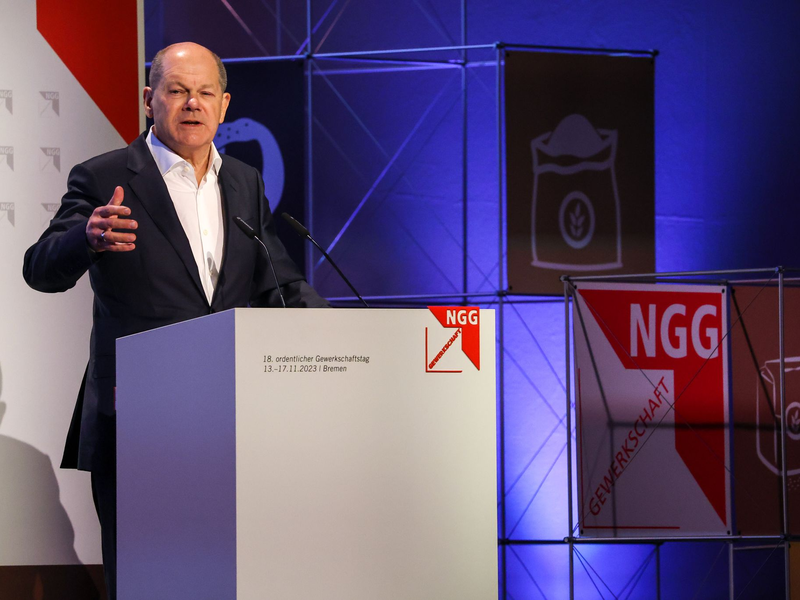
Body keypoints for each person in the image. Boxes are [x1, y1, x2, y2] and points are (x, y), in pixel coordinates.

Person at [22, 42, 328, 599]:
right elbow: (40, 270)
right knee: (147, 580)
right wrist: (84, 238)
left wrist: (336, 335)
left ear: (225, 103)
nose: (193, 104)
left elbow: (277, 279)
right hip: (137, 417)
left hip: (231, 416)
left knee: (228, 576)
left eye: (206, 92)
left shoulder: (243, 181)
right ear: (149, 100)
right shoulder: (104, 177)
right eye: (178, 90)